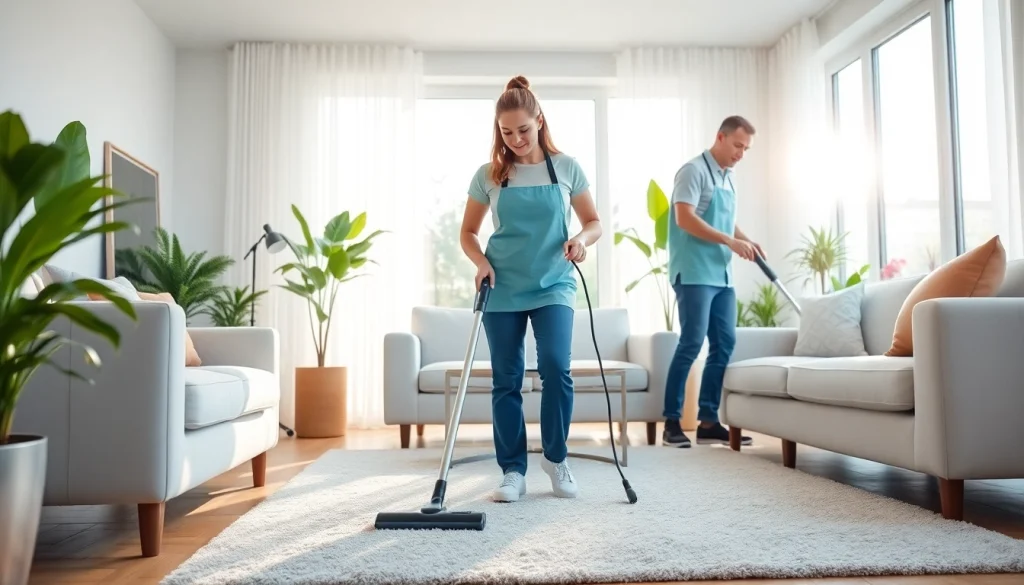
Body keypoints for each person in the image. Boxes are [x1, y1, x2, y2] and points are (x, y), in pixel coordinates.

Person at [460, 75, 602, 502]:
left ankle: (556, 459)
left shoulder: (567, 167)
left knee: (557, 368)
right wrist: (481, 262)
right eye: (506, 132)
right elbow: (468, 232)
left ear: (539, 120)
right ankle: (512, 470)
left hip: (554, 282)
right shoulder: (489, 175)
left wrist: (581, 240)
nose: (516, 139)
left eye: (523, 129)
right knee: (507, 379)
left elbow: (593, 223)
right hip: (502, 284)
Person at [661, 115, 760, 449]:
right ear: (720, 137)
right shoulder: (693, 171)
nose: (740, 154)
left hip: (721, 275)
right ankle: (671, 422)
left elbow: (727, 222)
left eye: (746, 149)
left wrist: (745, 240)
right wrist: (730, 241)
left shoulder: (728, 176)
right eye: (737, 146)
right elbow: (684, 217)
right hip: (693, 272)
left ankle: (708, 421)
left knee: (724, 343)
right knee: (691, 343)